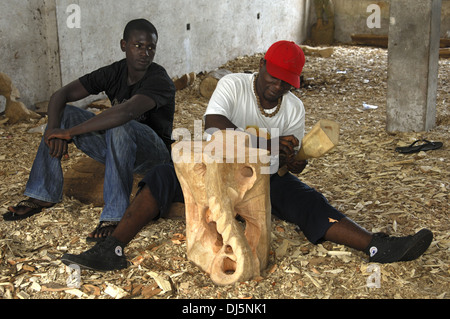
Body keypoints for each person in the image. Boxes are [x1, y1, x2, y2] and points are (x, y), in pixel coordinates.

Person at [60, 41, 433, 271]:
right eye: (274, 76)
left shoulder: (294, 108)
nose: (279, 85)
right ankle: (113, 247)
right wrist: (268, 145)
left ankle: (376, 245)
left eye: (287, 81)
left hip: (261, 181)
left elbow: (288, 162)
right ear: (261, 67)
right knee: (161, 175)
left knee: (308, 201)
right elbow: (215, 129)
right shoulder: (232, 85)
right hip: (213, 171)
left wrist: (294, 159)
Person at [3, 19, 175, 242]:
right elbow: (60, 95)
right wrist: (53, 130)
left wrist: (70, 133)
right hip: (117, 147)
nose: (145, 52)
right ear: (124, 45)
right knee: (65, 114)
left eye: (151, 47)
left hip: (153, 156)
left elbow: (125, 113)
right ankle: (42, 194)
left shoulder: (159, 79)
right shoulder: (115, 71)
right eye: (138, 45)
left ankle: (114, 216)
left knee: (118, 122)